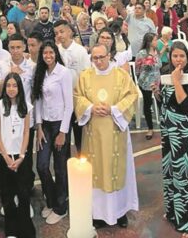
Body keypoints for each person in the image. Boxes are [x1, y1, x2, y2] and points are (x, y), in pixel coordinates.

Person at [73, 44, 140, 228]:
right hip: (93, 133)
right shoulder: (85, 76)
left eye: (102, 57)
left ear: (109, 56)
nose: (99, 61)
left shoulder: (121, 75)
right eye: (95, 58)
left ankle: (119, 212)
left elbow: (132, 95)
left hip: (115, 132)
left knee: (115, 170)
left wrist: (114, 109)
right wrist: (90, 107)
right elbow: (78, 97)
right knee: (96, 171)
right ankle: (99, 214)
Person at [158, 44, 188, 237]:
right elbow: (167, 101)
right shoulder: (165, 72)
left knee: (187, 172)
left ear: (187, 57)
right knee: (170, 170)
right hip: (169, 128)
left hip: (186, 129)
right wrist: (158, 93)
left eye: (182, 56)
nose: (178, 60)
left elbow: (186, 105)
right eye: (175, 56)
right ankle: (175, 213)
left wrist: (177, 82)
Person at [31, 40, 74, 225]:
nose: (48, 56)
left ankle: (61, 207)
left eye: (51, 52)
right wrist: (39, 126)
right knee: (41, 165)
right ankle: (51, 199)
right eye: (45, 53)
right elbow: (38, 101)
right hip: (45, 126)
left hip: (59, 125)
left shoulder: (63, 73)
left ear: (56, 53)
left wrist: (63, 132)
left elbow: (69, 105)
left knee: (60, 167)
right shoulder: (40, 73)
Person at [0, 73, 35, 238]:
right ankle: (11, 231)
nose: (11, 89)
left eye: (14, 86)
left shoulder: (26, 107)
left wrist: (22, 156)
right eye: (8, 86)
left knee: (23, 193)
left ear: (19, 88)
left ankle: (26, 230)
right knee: (7, 194)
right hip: (4, 156)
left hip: (20, 157)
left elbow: (26, 133)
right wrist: (6, 156)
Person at [134, 33, 160, 139]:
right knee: (147, 104)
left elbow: (159, 65)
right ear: (149, 42)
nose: (156, 42)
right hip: (146, 83)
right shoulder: (142, 53)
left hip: (157, 81)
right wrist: (144, 78)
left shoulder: (156, 52)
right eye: (154, 40)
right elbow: (137, 69)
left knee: (160, 102)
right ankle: (150, 128)